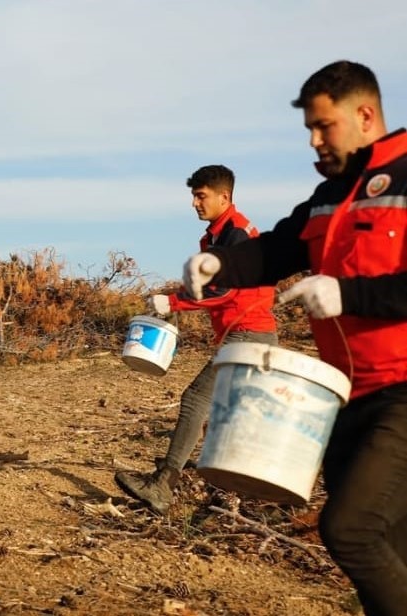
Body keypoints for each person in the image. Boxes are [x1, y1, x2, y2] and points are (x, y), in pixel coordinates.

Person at [182, 60, 407, 615]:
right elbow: (281, 248)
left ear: (364, 115)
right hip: (346, 394)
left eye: (323, 126)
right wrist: (220, 264)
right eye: (309, 126)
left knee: (350, 529)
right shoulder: (332, 194)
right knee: (391, 541)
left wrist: (350, 296)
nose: (313, 139)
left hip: (404, 392)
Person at [114, 165, 278, 515]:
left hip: (249, 335)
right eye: (193, 195)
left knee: (195, 399)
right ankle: (235, 487)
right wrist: (174, 300)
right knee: (231, 412)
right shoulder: (217, 237)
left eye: (201, 196)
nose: (194, 203)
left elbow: (225, 289)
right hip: (247, 334)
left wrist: (174, 302)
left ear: (225, 197)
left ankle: (163, 485)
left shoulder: (237, 236)